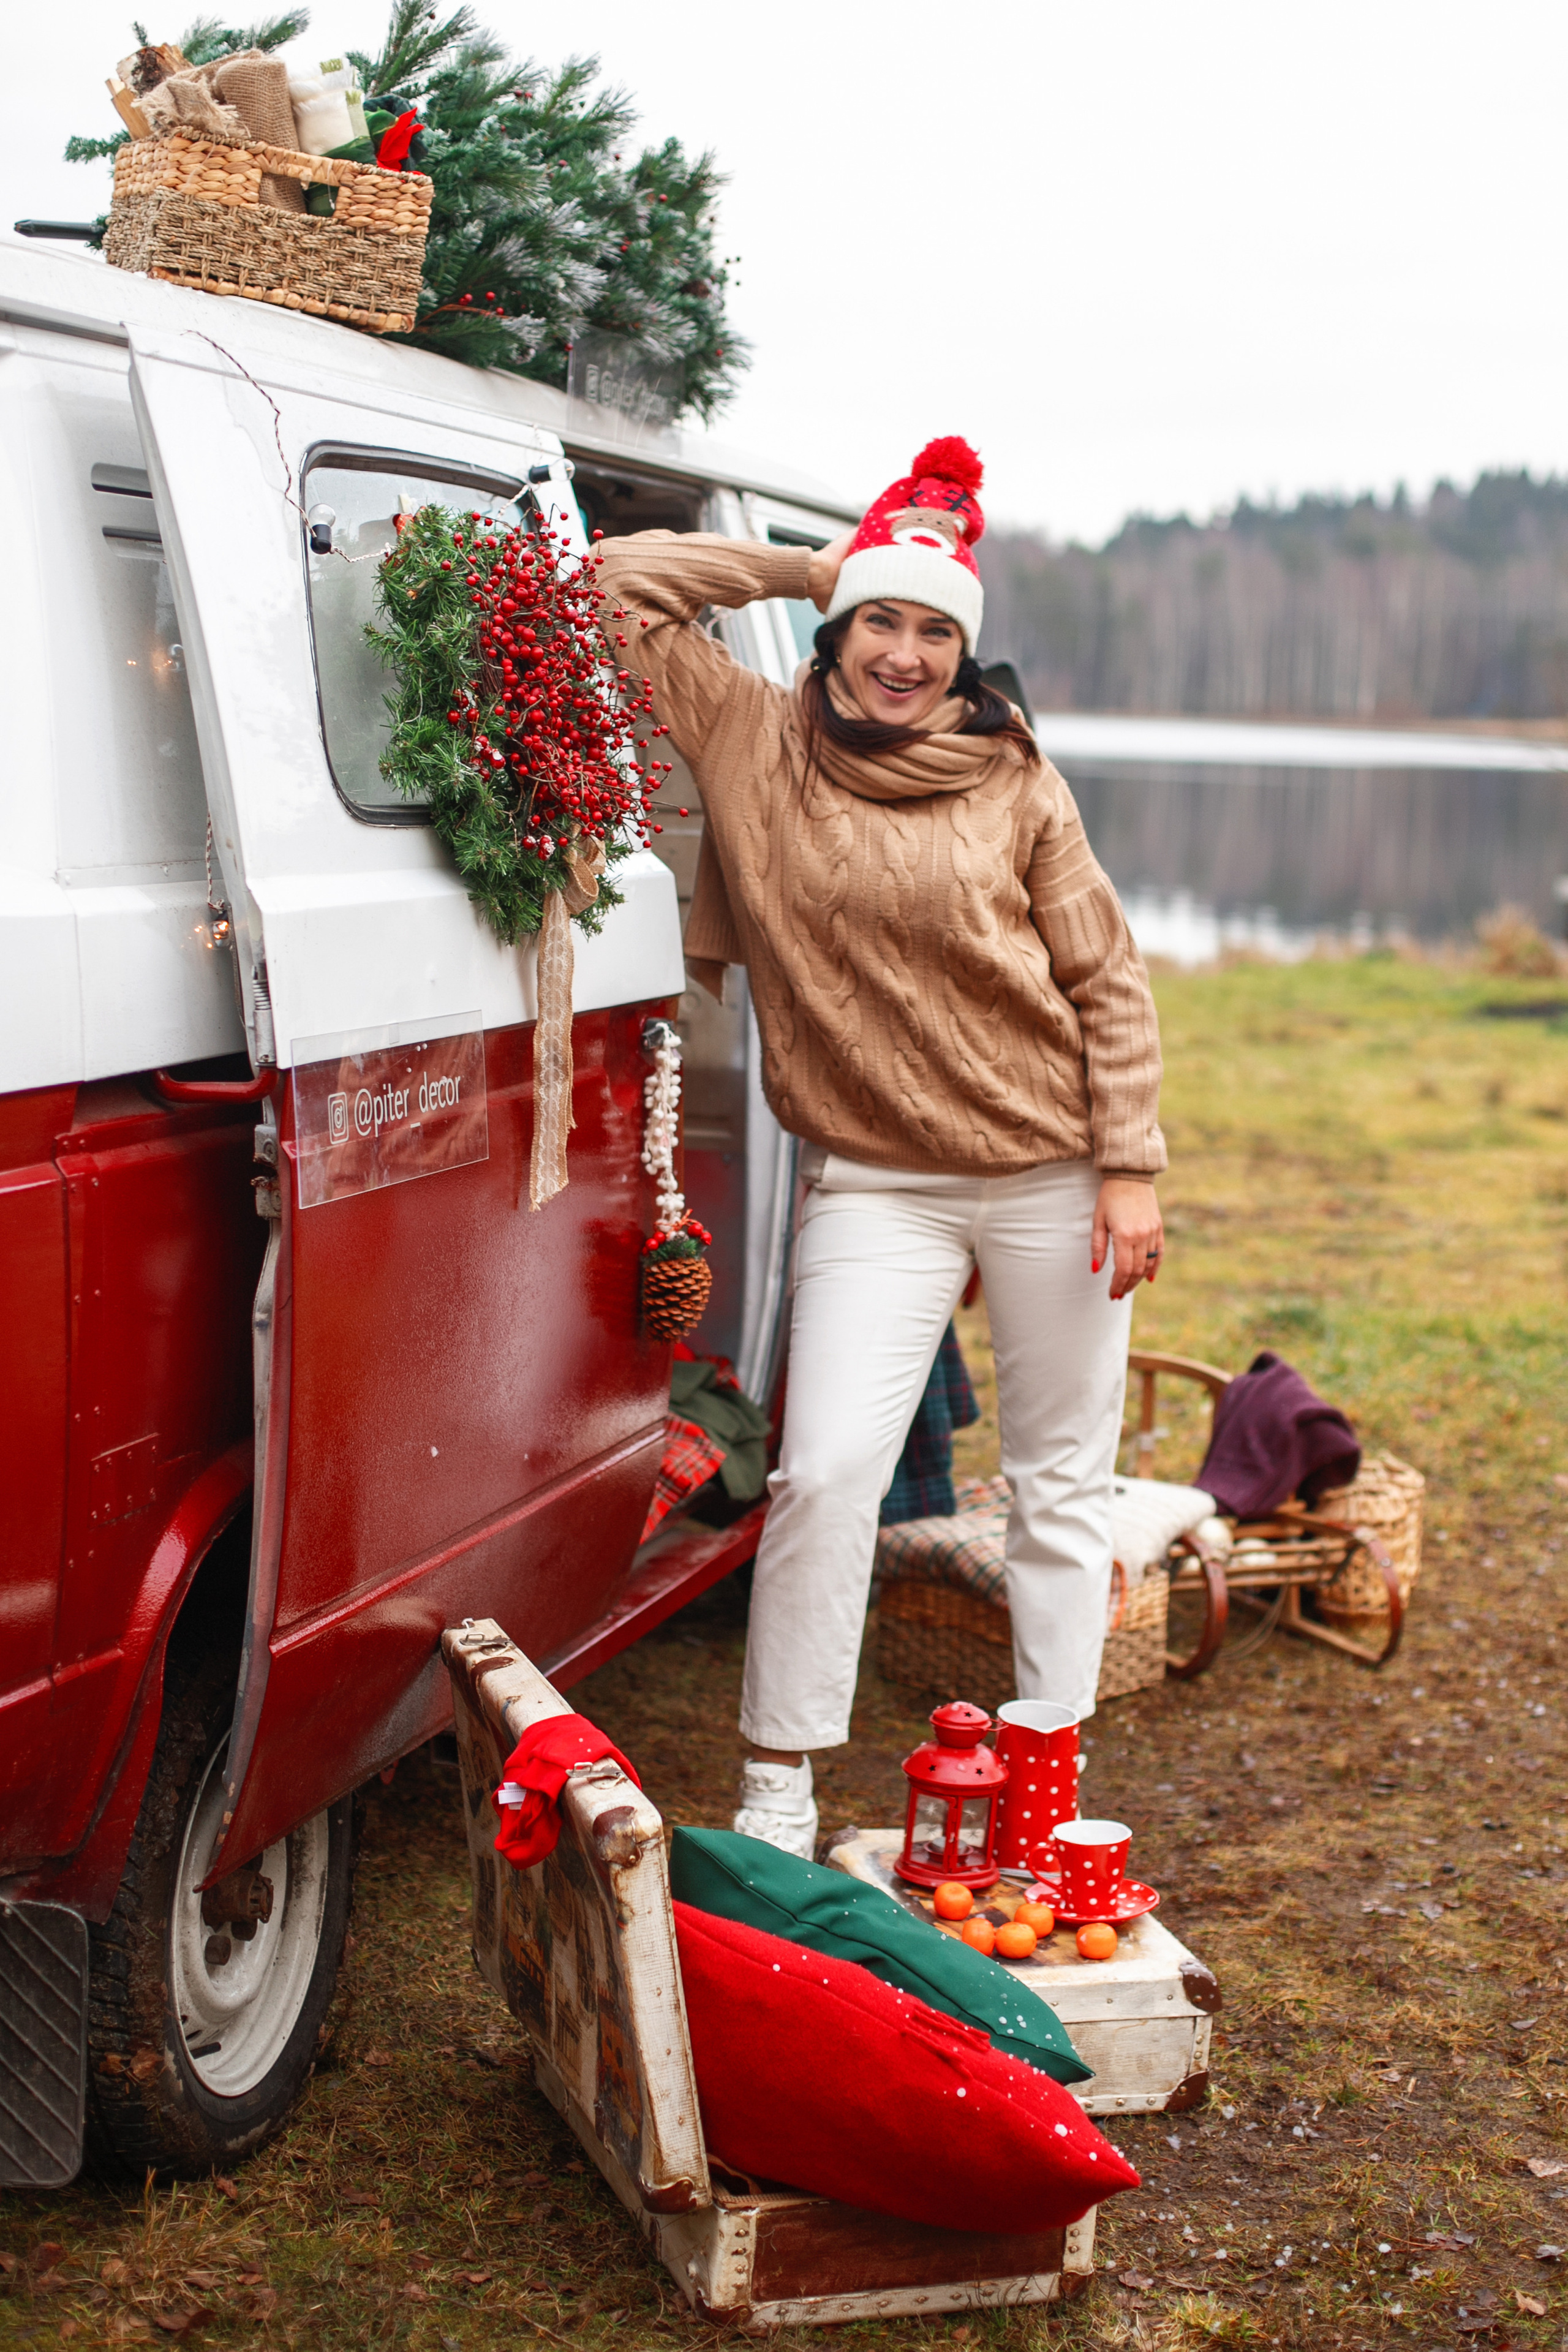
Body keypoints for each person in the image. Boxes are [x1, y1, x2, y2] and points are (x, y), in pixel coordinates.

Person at [596, 438, 1166, 1858]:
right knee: (824, 1470)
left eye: (933, 630)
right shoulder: (749, 731)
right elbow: (609, 584)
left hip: (1048, 1173)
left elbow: (1103, 979)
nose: (903, 654)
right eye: (878, 619)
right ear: (839, 624)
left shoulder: (1014, 779)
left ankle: (1040, 1798)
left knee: (1056, 1485)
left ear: (963, 653)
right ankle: (778, 1794)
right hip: (874, 1182)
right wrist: (814, 562)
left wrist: (1127, 1165)